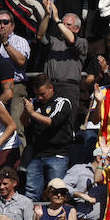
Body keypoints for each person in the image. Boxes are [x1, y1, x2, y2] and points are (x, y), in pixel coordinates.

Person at [21, 74, 73, 203]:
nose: (39, 97)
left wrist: (33, 113)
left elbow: (52, 122)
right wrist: (26, 111)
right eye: (37, 94)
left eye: (42, 94)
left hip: (57, 155)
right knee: (31, 193)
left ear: (51, 88)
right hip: (36, 155)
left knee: (56, 194)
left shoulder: (62, 102)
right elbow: (25, 123)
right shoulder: (35, 103)